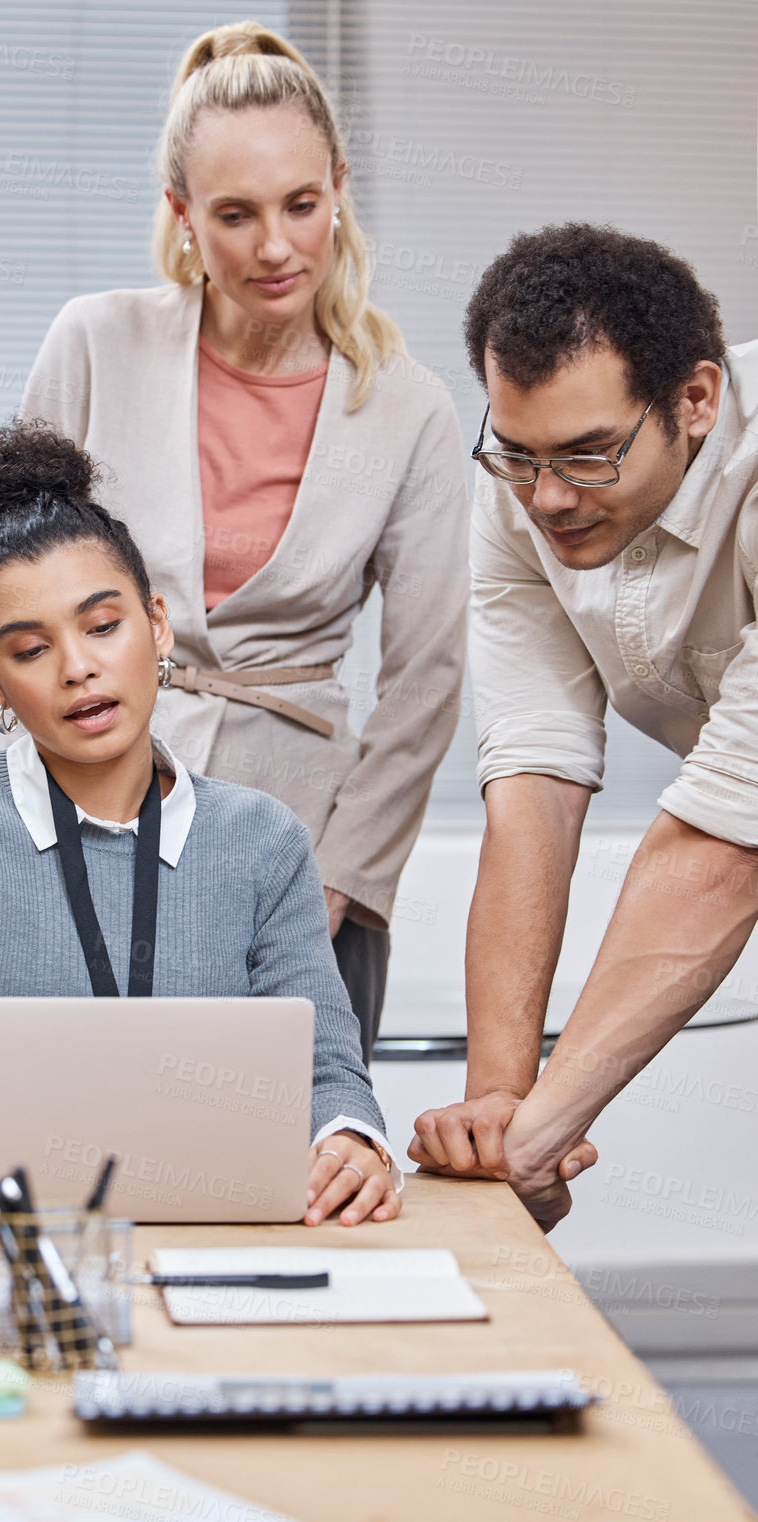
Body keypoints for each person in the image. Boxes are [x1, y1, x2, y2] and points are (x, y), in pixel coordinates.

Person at [0, 422, 401, 1226]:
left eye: (102, 627)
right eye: (28, 649)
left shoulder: (261, 839)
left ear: (156, 627)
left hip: (212, 1239)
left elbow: (328, 1074)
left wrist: (349, 1140)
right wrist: (102, 1084)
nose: (77, 668)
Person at [18, 20, 468, 1060]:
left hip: (299, 849)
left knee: (281, 1173)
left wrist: (341, 879)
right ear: (180, 216)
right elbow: (10, 591)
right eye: (234, 214)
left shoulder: (407, 410)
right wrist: (29, 814)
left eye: (300, 206)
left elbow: (426, 677)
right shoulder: (92, 343)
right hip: (84, 814)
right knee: (72, 1149)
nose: (274, 247)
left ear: (338, 187)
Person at [410, 223, 755, 1229]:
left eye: (587, 455)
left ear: (694, 400)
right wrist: (492, 1113)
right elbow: (531, 790)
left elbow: (719, 855)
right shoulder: (520, 491)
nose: (548, 497)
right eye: (517, 454)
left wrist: (532, 1139)